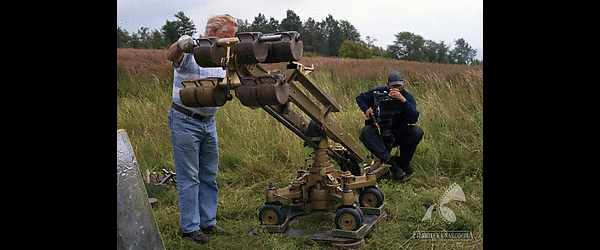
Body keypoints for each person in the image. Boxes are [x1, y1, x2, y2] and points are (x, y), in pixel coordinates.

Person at [166, 14, 238, 245]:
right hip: (185, 120)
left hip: (208, 122)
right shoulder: (193, 51)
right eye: (228, 36)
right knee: (190, 177)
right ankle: (190, 227)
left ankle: (209, 221)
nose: (232, 40)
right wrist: (180, 44)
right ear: (213, 33)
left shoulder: (223, 57)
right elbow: (170, 56)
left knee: (209, 175)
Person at [356, 72, 424, 183]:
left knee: (417, 132)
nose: (396, 89)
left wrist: (403, 101)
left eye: (399, 86)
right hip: (380, 131)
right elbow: (360, 98)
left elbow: (414, 118)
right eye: (393, 86)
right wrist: (366, 109)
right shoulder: (379, 92)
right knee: (365, 132)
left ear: (403, 84)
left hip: (398, 131)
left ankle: (402, 163)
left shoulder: (407, 97)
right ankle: (392, 163)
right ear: (388, 84)